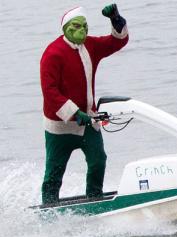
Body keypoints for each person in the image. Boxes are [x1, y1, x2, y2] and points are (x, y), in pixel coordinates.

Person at [40, 4, 129, 204]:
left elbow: (116, 42)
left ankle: (95, 200)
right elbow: (50, 92)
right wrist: (74, 112)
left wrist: (116, 19)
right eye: (77, 27)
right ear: (65, 29)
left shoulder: (90, 46)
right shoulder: (53, 54)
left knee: (98, 161)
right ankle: (48, 207)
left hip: (88, 120)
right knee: (55, 170)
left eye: (84, 26)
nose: (82, 31)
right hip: (59, 127)